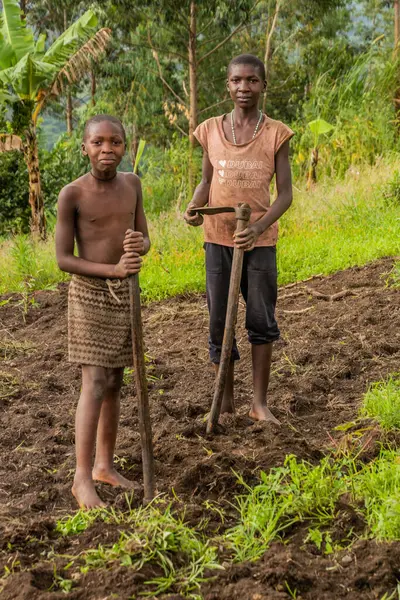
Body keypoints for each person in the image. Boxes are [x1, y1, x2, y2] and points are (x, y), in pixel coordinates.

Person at [184, 54, 294, 425]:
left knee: (261, 319)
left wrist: (259, 228)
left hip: (259, 244)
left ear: (263, 86)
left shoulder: (277, 134)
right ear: (227, 85)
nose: (243, 88)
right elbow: (205, 182)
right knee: (220, 321)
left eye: (251, 81)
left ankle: (259, 404)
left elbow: (285, 195)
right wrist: (195, 206)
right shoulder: (211, 129)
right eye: (236, 81)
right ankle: (226, 400)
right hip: (218, 241)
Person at [55, 114, 150, 508]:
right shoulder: (72, 194)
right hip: (90, 295)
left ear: (124, 147)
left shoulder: (133, 185)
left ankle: (104, 466)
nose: (106, 150)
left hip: (125, 294)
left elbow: (145, 238)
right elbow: (63, 259)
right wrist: (112, 269)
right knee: (93, 383)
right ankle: (81, 478)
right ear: (85, 148)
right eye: (98, 143)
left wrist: (138, 245)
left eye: (114, 142)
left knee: (114, 382)